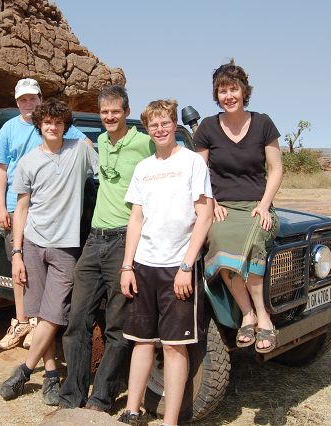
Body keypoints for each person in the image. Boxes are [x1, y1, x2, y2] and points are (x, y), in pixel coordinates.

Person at [58, 85, 155, 412]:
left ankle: (102, 398)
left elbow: (168, 168)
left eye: (115, 111)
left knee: (116, 326)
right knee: (77, 320)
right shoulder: (100, 140)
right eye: (104, 112)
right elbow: (60, 128)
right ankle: (73, 394)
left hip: (123, 240)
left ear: (126, 111)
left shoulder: (143, 143)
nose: (109, 117)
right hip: (94, 239)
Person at [117, 100, 213, 426]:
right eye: (154, 125)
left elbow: (204, 215)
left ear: (174, 125)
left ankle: (170, 421)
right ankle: (132, 409)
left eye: (165, 123)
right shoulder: (144, 168)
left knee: (174, 347)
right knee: (141, 340)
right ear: (148, 129)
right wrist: (127, 266)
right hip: (144, 264)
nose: (160, 129)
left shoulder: (192, 163)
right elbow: (136, 218)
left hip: (177, 267)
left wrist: (187, 266)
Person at [0, 98, 99, 406]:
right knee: (42, 315)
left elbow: (107, 171)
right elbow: (22, 208)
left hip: (66, 246)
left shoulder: (79, 150)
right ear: (39, 126)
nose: (52, 126)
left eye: (58, 122)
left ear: (65, 125)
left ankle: (24, 371)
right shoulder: (28, 162)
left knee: (54, 314)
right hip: (32, 243)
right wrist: (16, 252)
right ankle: (52, 375)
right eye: (47, 122)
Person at [0, 78, 89, 350]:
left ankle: (38, 324)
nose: (27, 103)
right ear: (17, 101)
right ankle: (21, 320)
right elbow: (0, 168)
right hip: (16, 203)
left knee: (42, 266)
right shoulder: (10, 128)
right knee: (19, 263)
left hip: (49, 205)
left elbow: (87, 146)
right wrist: (0, 206)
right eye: (23, 99)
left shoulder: (52, 123)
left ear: (40, 99)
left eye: (32, 98)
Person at [193, 59, 283, 353]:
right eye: (222, 90)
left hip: (258, 205)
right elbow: (199, 172)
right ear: (216, 95)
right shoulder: (207, 127)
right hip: (222, 208)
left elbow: (276, 168)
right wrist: (213, 202)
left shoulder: (263, 123)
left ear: (244, 91)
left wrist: (265, 205)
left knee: (255, 240)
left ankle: (264, 317)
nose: (228, 96)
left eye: (233, 89)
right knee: (218, 241)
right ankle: (248, 314)